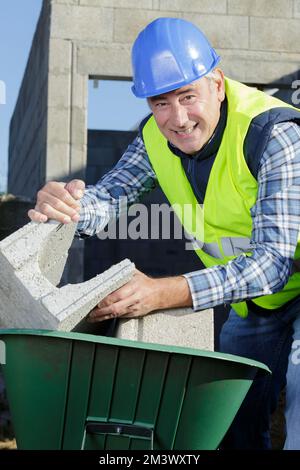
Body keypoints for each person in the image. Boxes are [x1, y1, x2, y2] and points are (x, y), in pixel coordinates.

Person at [28, 18, 300, 449]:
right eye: (160, 102)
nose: (177, 119)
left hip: (282, 281)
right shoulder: (155, 138)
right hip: (253, 306)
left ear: (217, 83)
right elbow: (112, 197)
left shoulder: (274, 134)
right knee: (228, 421)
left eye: (188, 96)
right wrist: (70, 207)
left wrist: (163, 292)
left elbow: (272, 264)